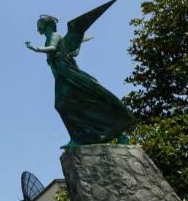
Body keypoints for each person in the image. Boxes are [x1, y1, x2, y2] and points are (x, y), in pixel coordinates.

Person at [25, 10, 136, 147]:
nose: (38, 29)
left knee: (64, 103)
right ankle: (84, 137)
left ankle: (87, 136)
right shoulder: (49, 38)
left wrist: (36, 48)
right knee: (75, 103)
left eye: (39, 25)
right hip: (61, 74)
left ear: (46, 25)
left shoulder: (54, 35)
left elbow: (52, 48)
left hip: (67, 72)